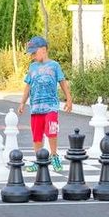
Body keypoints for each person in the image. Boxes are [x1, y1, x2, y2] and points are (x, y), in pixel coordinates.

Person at [17, 36, 73, 172]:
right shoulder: (32, 67)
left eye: (34, 53)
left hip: (51, 106)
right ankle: (39, 160)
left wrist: (69, 98)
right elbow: (28, 86)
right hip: (36, 107)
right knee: (37, 135)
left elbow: (62, 82)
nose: (32, 56)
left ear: (43, 50)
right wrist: (22, 102)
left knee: (52, 130)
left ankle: (54, 156)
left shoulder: (54, 65)